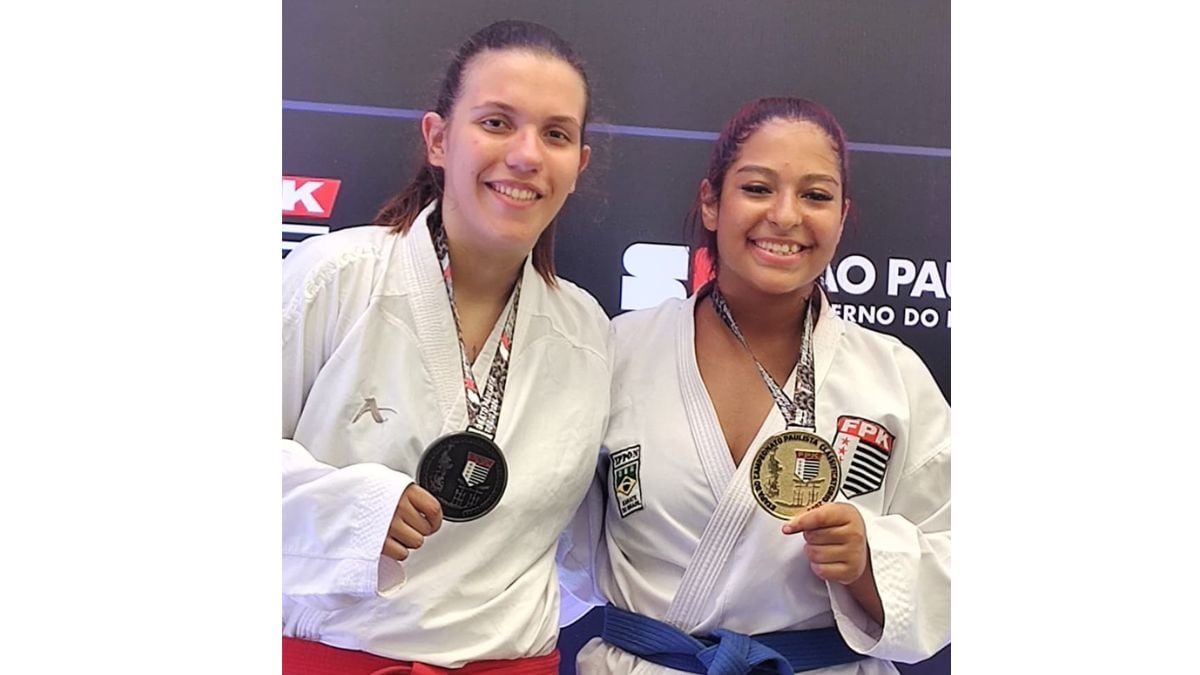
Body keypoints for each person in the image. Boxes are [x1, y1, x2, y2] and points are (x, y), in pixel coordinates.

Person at [560, 97, 951, 674]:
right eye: (758, 188)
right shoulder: (619, 351)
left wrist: (870, 561)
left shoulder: (891, 375)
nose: (786, 216)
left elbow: (955, 550)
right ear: (711, 202)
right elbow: (540, 522)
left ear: (842, 217)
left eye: (816, 195)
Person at [282, 20, 612, 674]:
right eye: (496, 123)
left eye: (555, 134)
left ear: (578, 164)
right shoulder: (336, 276)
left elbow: (587, 548)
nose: (526, 155)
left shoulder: (587, 330)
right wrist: (353, 511)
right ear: (438, 138)